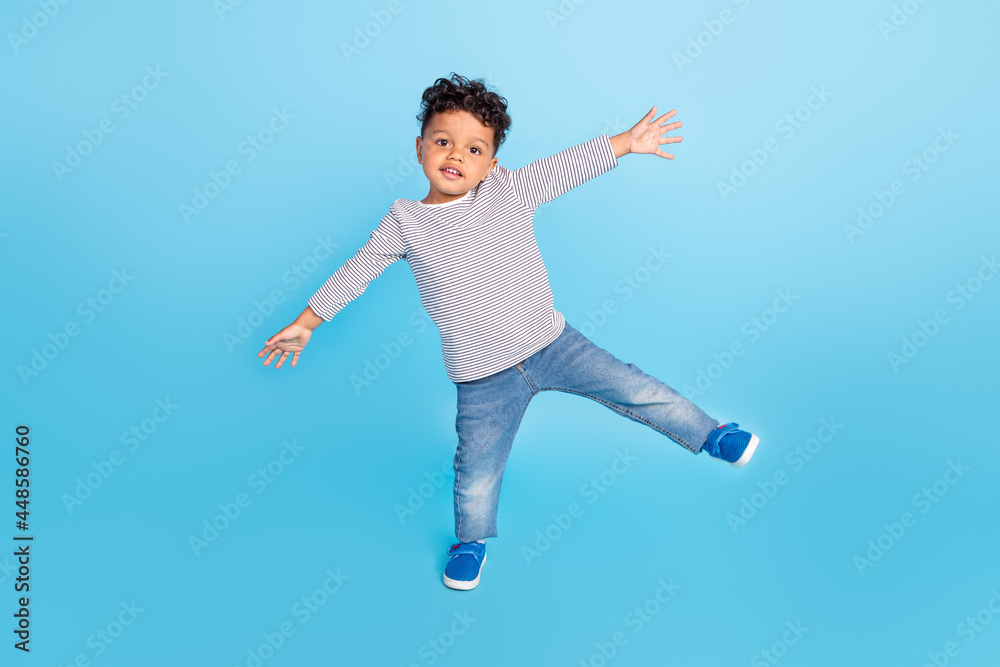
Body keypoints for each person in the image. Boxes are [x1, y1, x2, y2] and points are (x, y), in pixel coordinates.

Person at [257, 73, 760, 591]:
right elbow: (358, 270)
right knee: (475, 469)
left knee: (638, 390)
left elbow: (563, 168)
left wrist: (626, 144)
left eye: (474, 148)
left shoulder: (507, 190)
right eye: (443, 141)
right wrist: (307, 321)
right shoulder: (405, 221)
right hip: (482, 379)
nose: (456, 154)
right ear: (420, 147)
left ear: (491, 164)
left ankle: (713, 434)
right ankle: (470, 542)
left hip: (554, 344)